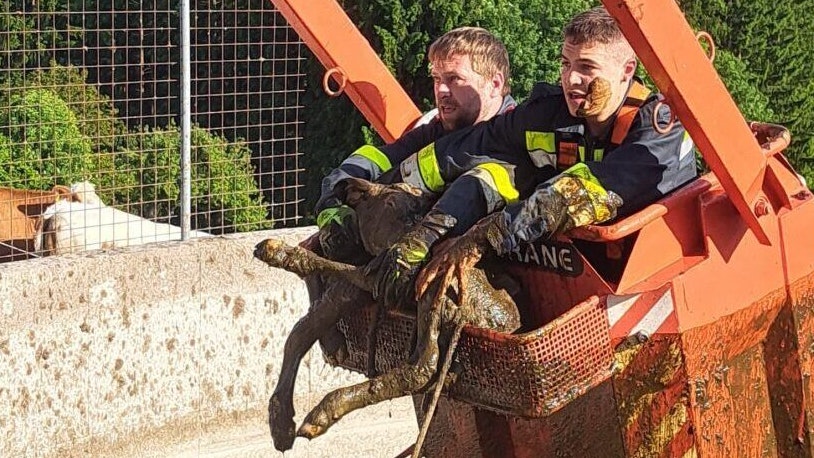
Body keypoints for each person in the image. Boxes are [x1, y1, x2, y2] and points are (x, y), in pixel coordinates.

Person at [372, 6, 698, 304]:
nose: (571, 79)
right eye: (566, 63)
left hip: (660, 287)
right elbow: (477, 143)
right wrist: (386, 187)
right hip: (577, 284)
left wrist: (489, 235)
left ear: (627, 69)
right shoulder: (549, 114)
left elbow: (589, 190)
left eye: (586, 67)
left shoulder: (661, 128)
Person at [313, 26, 518, 262]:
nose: (441, 90)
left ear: (494, 84)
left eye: (454, 79)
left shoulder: (516, 136)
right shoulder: (436, 130)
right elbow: (377, 158)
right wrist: (333, 202)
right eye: (437, 79)